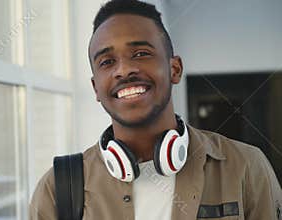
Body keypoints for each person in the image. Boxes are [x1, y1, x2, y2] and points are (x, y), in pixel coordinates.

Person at [29, 0, 282, 219]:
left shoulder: (246, 167)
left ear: (174, 69)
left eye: (140, 53)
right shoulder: (57, 189)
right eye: (107, 62)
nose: (124, 70)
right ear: (96, 87)